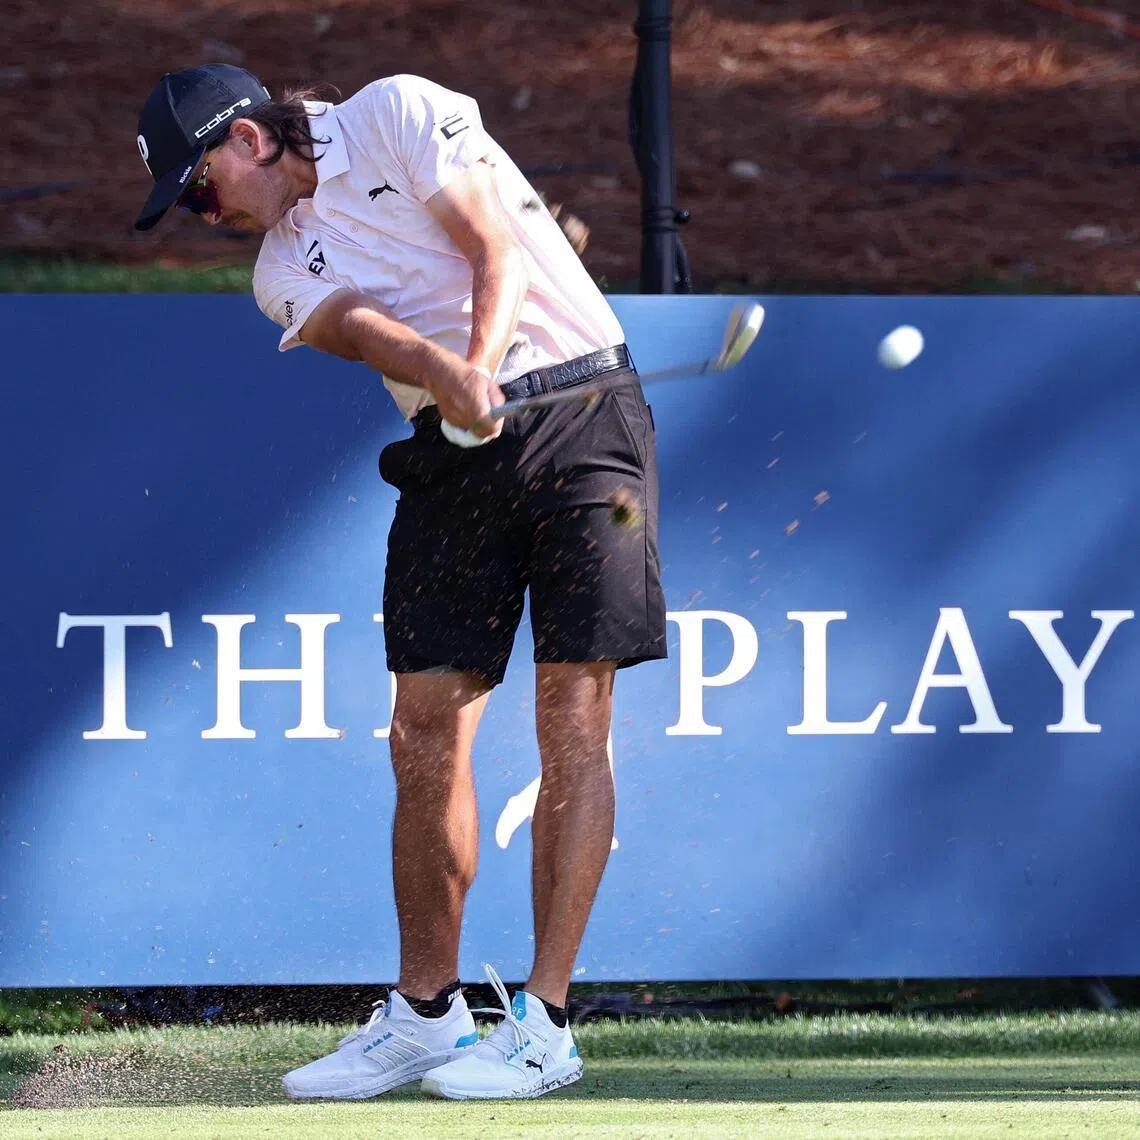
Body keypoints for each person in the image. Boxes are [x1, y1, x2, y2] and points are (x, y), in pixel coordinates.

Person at [133, 63, 666, 1101]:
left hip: (585, 413)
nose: (205, 214)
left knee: (573, 714)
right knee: (421, 727)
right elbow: (364, 332)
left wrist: (481, 361)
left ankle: (545, 1024)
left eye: (197, 188)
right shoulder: (276, 268)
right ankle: (426, 1014)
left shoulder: (397, 112)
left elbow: (492, 245)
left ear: (244, 138)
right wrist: (454, 379)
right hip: (449, 443)